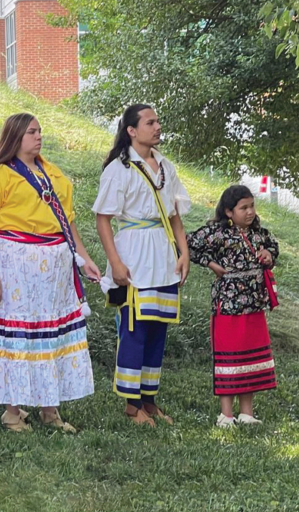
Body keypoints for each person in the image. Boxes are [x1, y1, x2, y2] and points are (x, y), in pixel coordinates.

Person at [0, 113, 100, 433]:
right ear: (14, 137)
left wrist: (83, 256)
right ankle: (12, 410)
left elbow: (68, 220)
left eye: (39, 131)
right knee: (18, 336)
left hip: (53, 270)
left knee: (50, 335)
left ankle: (50, 409)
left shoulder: (52, 173)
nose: (38, 137)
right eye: (31, 132)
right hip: (14, 265)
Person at [93, 104, 191, 426]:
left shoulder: (166, 166)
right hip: (134, 254)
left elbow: (174, 216)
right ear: (132, 131)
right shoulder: (118, 170)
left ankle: (150, 402)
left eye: (158, 121)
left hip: (162, 255)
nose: (157, 127)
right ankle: (132, 405)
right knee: (134, 328)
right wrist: (115, 262)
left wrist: (183, 252)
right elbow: (103, 219)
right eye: (150, 122)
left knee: (157, 328)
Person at [188, 185, 279, 428]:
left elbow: (274, 248)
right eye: (243, 208)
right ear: (229, 212)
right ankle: (226, 415)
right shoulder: (217, 233)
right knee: (229, 358)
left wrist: (268, 255)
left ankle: (246, 413)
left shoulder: (259, 234)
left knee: (249, 357)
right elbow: (187, 244)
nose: (250, 212)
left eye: (252, 206)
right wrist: (211, 264)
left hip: (254, 305)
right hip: (227, 305)